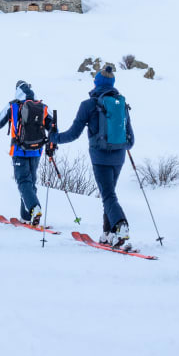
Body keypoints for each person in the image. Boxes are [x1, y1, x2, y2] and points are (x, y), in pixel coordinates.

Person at [49, 63, 134, 247]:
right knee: (109, 194)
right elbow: (131, 141)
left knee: (108, 195)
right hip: (119, 157)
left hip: (100, 158)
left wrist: (54, 138)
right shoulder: (121, 104)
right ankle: (108, 233)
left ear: (96, 83)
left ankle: (121, 226)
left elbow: (73, 134)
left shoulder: (88, 105)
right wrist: (117, 145)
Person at [0, 80, 53, 225]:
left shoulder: (13, 106)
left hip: (19, 150)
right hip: (37, 151)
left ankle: (34, 208)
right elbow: (53, 126)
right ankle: (26, 217)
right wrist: (52, 144)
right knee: (30, 183)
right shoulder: (42, 107)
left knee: (23, 181)